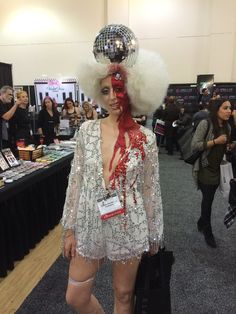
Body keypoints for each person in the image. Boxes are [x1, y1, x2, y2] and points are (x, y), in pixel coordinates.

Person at [61, 25, 168, 314]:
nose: (111, 97)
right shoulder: (87, 130)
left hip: (129, 224)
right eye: (105, 90)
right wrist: (69, 228)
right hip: (89, 221)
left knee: (123, 296)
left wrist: (154, 233)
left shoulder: (145, 138)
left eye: (118, 89)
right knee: (75, 296)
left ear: (133, 91)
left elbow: (150, 187)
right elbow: (76, 181)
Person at [191, 98, 232, 248]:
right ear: (216, 109)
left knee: (209, 198)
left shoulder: (227, 127)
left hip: (218, 169)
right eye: (225, 108)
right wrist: (215, 141)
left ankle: (201, 221)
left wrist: (229, 146)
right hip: (204, 168)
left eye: (230, 108)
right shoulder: (205, 123)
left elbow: (223, 147)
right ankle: (207, 230)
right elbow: (195, 145)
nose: (229, 111)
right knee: (208, 200)